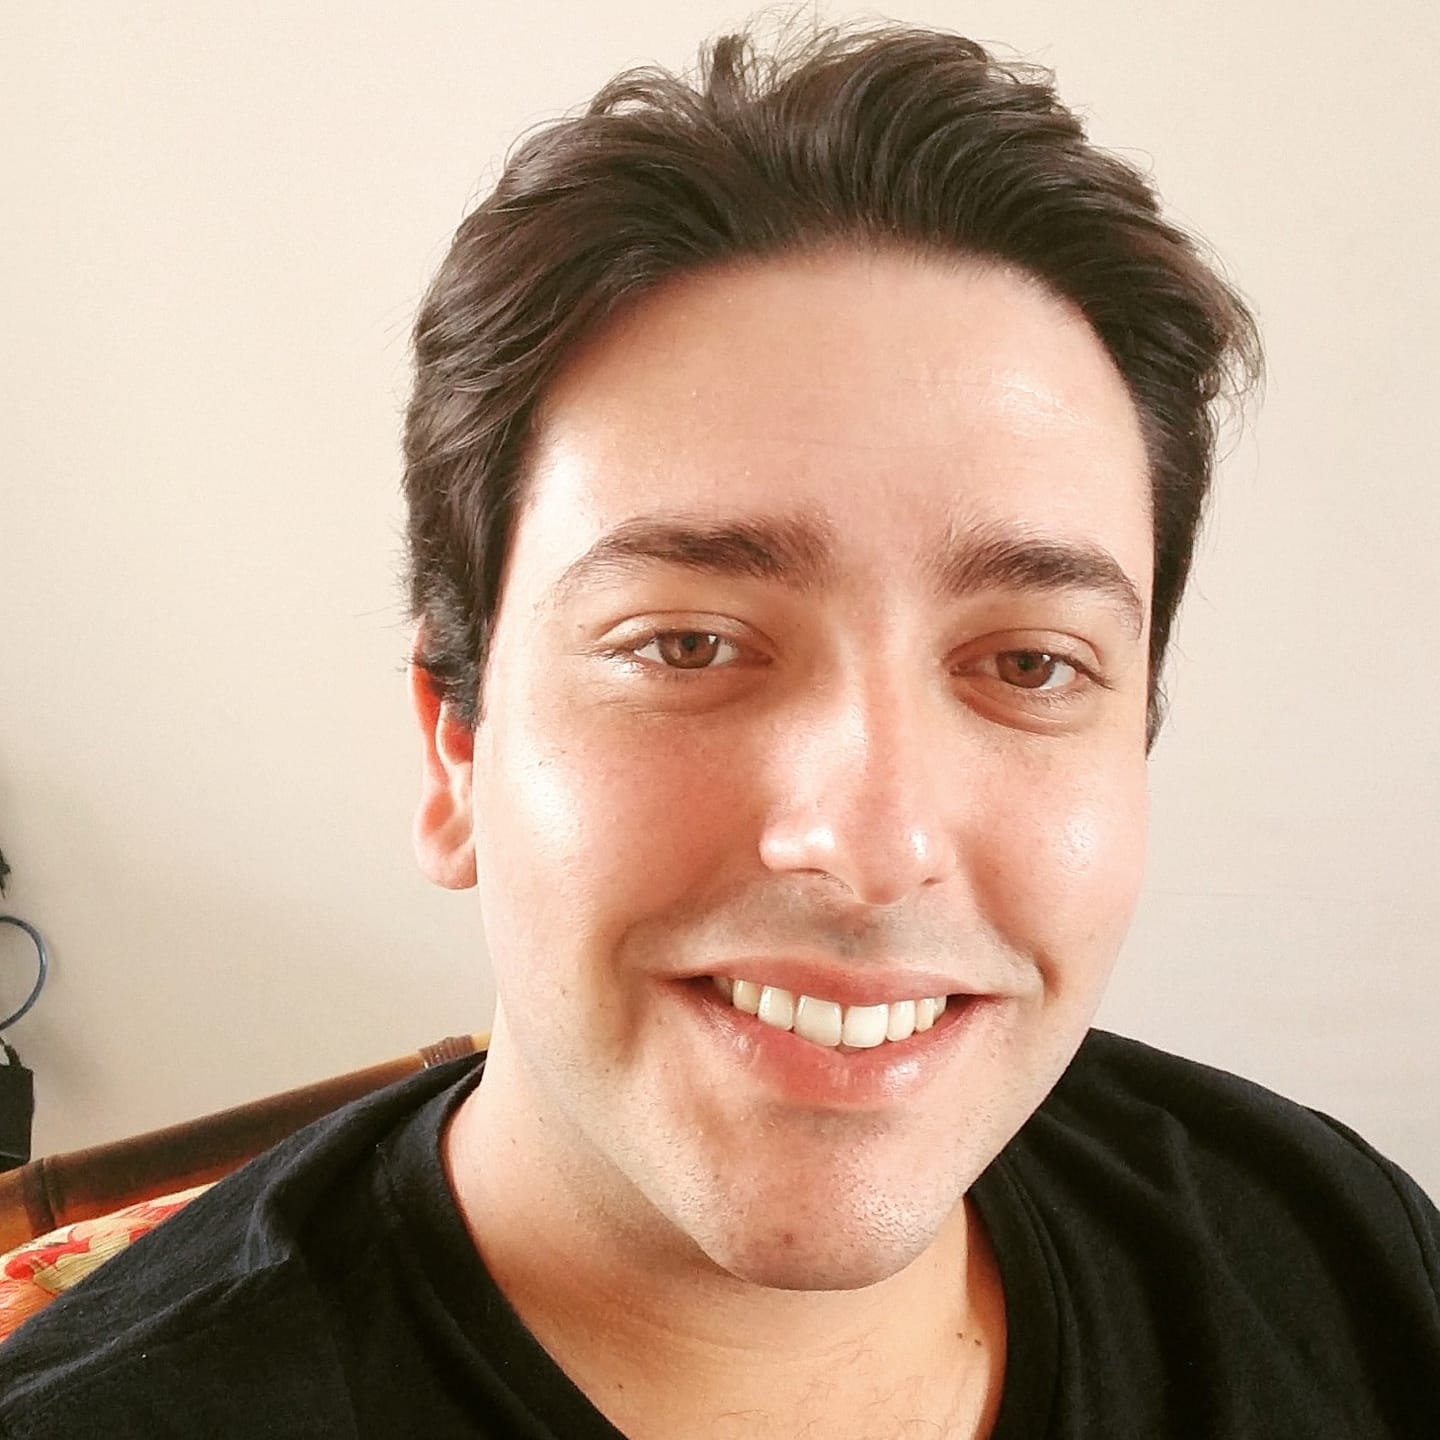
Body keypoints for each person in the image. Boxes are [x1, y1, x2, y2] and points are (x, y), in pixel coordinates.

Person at [2, 21, 1437, 1438]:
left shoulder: (1333, 1249)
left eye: (1030, 664)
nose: (875, 846)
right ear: (455, 746)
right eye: (686, 644)